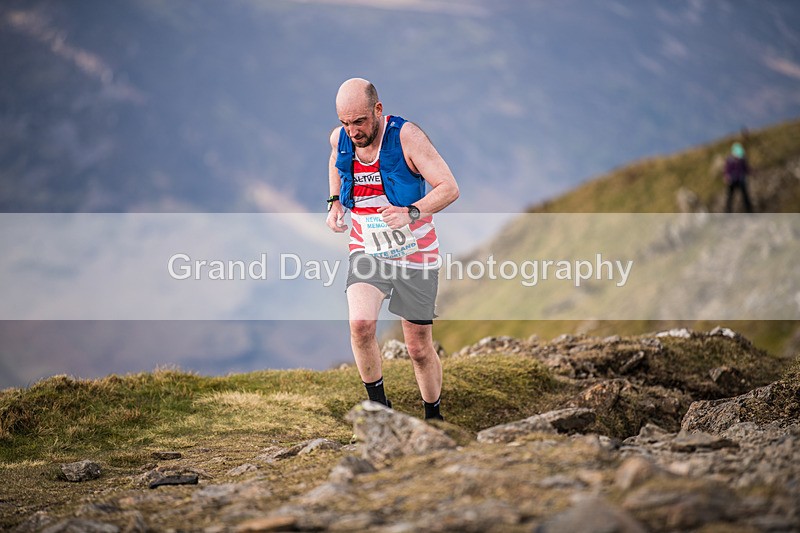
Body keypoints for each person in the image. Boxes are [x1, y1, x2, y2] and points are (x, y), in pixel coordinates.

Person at [326, 78, 459, 421]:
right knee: (360, 325)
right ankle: (379, 411)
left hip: (416, 252)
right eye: (345, 123)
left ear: (378, 109)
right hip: (367, 249)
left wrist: (410, 212)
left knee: (418, 347)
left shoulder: (406, 137)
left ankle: (434, 419)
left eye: (359, 121)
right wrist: (335, 202)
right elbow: (336, 160)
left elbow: (449, 188)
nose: (353, 131)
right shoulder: (341, 138)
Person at [724, 142, 753, 213]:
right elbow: (727, 170)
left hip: (741, 180)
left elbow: (746, 168)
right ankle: (728, 211)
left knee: (745, 196)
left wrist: (752, 172)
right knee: (730, 197)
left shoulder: (742, 160)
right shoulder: (730, 160)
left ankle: (749, 211)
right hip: (732, 180)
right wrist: (727, 176)